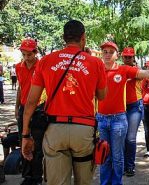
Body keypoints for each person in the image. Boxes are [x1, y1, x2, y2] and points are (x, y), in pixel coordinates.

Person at [21, 20, 108, 185]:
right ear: (83, 38)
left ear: (63, 37)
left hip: (55, 130)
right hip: (83, 131)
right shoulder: (95, 63)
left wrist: (26, 135)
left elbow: (31, 102)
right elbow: (102, 96)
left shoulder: (46, 61)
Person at [97, 42, 149, 184]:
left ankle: (119, 179)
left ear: (116, 55)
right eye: (104, 51)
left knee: (118, 154)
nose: (107, 54)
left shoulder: (124, 70)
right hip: (102, 118)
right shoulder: (97, 70)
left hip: (119, 118)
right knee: (105, 154)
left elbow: (148, 73)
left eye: (110, 52)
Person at [15, 38, 45, 185]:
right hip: (23, 108)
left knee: (37, 144)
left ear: (35, 52)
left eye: (29, 54)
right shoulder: (18, 67)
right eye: (24, 54)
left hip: (38, 109)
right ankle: (27, 176)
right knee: (24, 141)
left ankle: (37, 177)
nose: (26, 58)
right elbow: (20, 87)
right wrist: (16, 107)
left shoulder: (42, 66)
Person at [122, 47, 143, 177]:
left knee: (130, 138)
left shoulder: (136, 71)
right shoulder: (119, 70)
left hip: (135, 106)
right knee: (122, 138)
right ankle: (122, 165)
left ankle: (130, 166)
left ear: (133, 57)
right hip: (122, 106)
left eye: (130, 57)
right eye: (126, 57)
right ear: (122, 57)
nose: (128, 59)